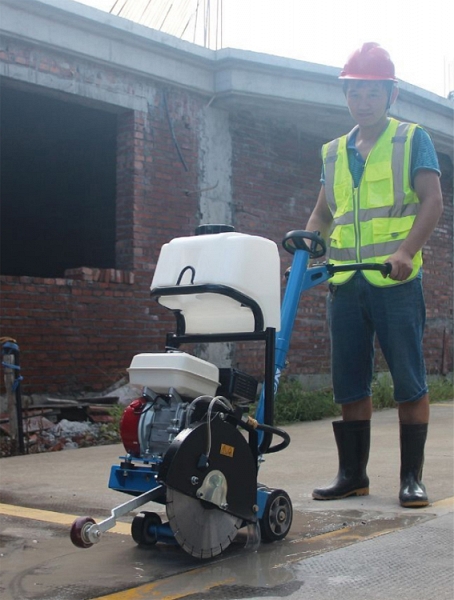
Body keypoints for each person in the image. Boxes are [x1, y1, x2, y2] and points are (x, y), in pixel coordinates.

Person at [305, 42, 443, 508]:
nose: (362, 101)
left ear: (390, 94)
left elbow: (432, 201)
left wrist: (407, 251)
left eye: (372, 92)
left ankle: (411, 479)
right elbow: (323, 214)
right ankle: (352, 476)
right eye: (355, 92)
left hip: (395, 281)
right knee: (349, 381)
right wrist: (307, 251)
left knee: (408, 379)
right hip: (345, 283)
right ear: (345, 95)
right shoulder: (333, 152)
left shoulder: (410, 139)